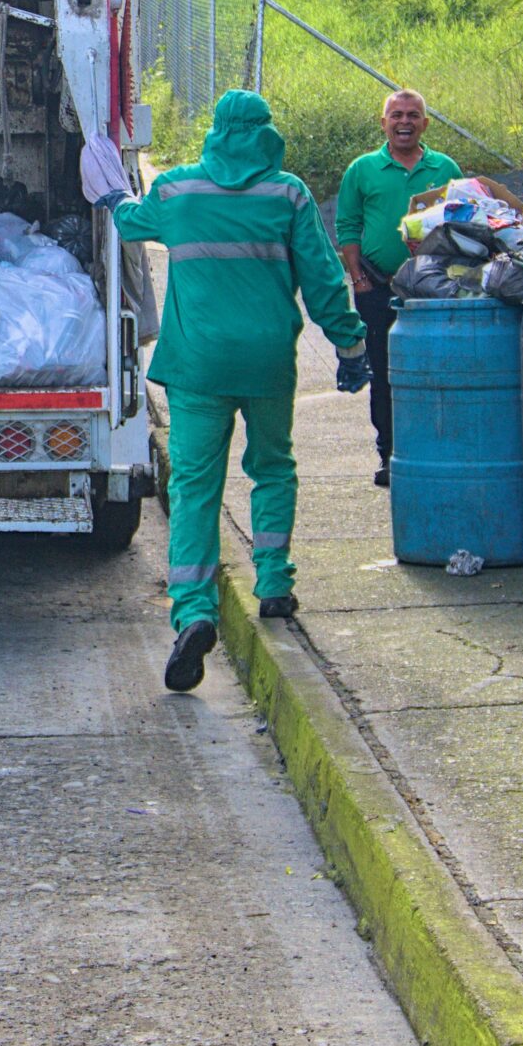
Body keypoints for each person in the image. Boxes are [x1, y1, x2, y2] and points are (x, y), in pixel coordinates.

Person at [108, 90, 369, 694]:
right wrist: (349, 347)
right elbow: (325, 278)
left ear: (216, 132)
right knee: (273, 466)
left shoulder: (177, 191)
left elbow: (128, 220)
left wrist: (114, 193)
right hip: (268, 359)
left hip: (198, 365)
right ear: (266, 133)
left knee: (196, 487)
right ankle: (274, 581)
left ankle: (195, 612)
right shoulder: (288, 193)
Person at [331, 90, 461, 486]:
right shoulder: (363, 169)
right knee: (386, 373)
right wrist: (358, 277)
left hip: (432, 288)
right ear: (383, 122)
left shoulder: (445, 167)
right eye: (396, 115)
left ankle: (433, 450)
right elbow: (347, 227)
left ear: (425, 123)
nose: (404, 122)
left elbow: (463, 221)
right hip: (376, 286)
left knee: (434, 369)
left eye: (413, 115)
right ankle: (390, 454)